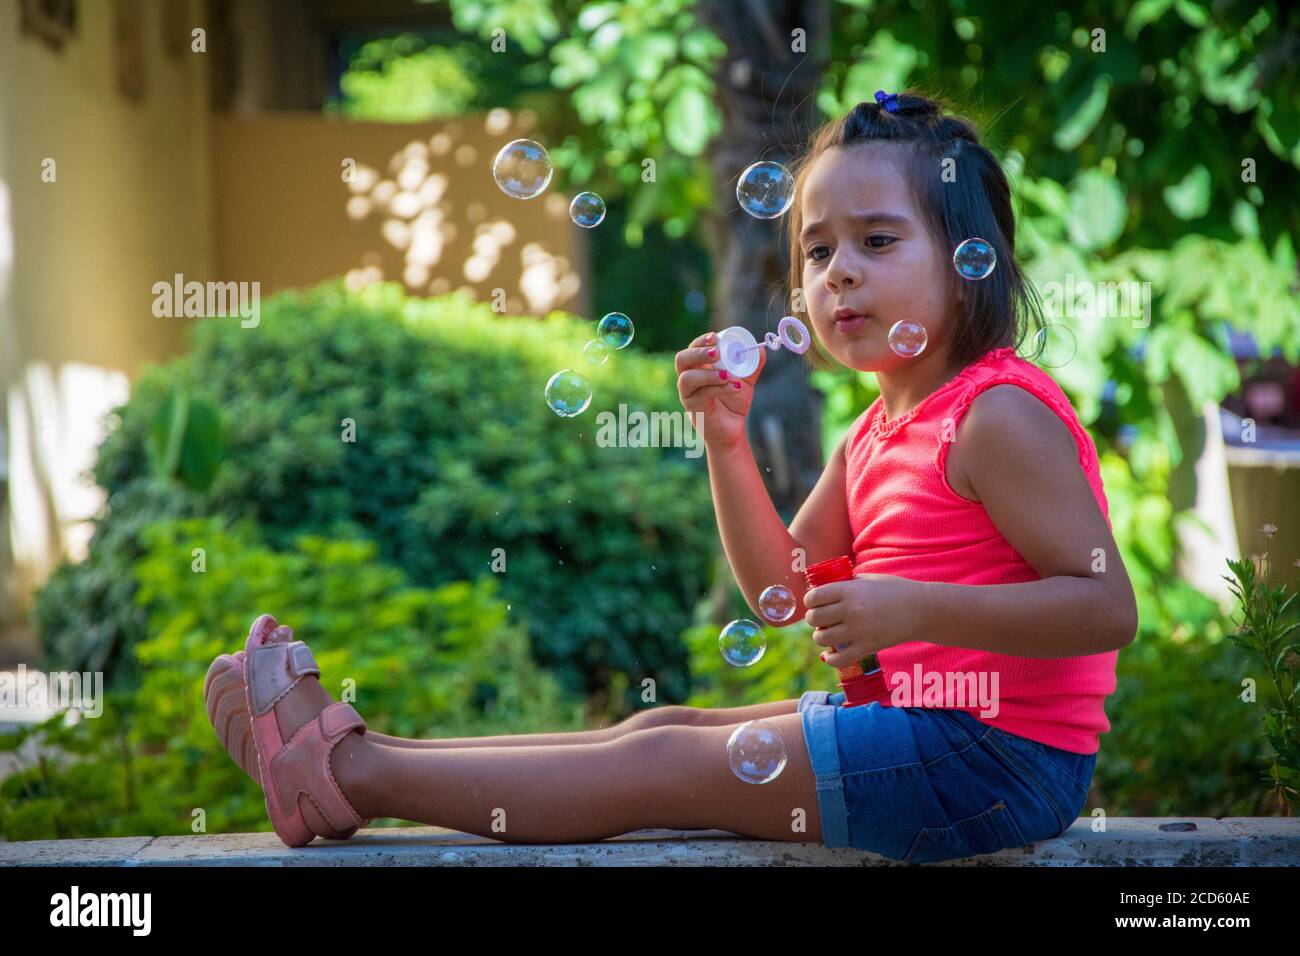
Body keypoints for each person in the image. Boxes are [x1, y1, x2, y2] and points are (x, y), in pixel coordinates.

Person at [206, 90, 1137, 862]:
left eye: (877, 242)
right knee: (659, 732)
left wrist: (916, 610)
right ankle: (353, 759)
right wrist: (725, 443)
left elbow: (1104, 608)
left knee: (665, 772)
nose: (838, 274)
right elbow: (780, 593)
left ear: (971, 265)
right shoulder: (877, 430)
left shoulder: (996, 414)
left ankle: (348, 776)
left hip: (995, 763)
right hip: (924, 734)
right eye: (817, 251)